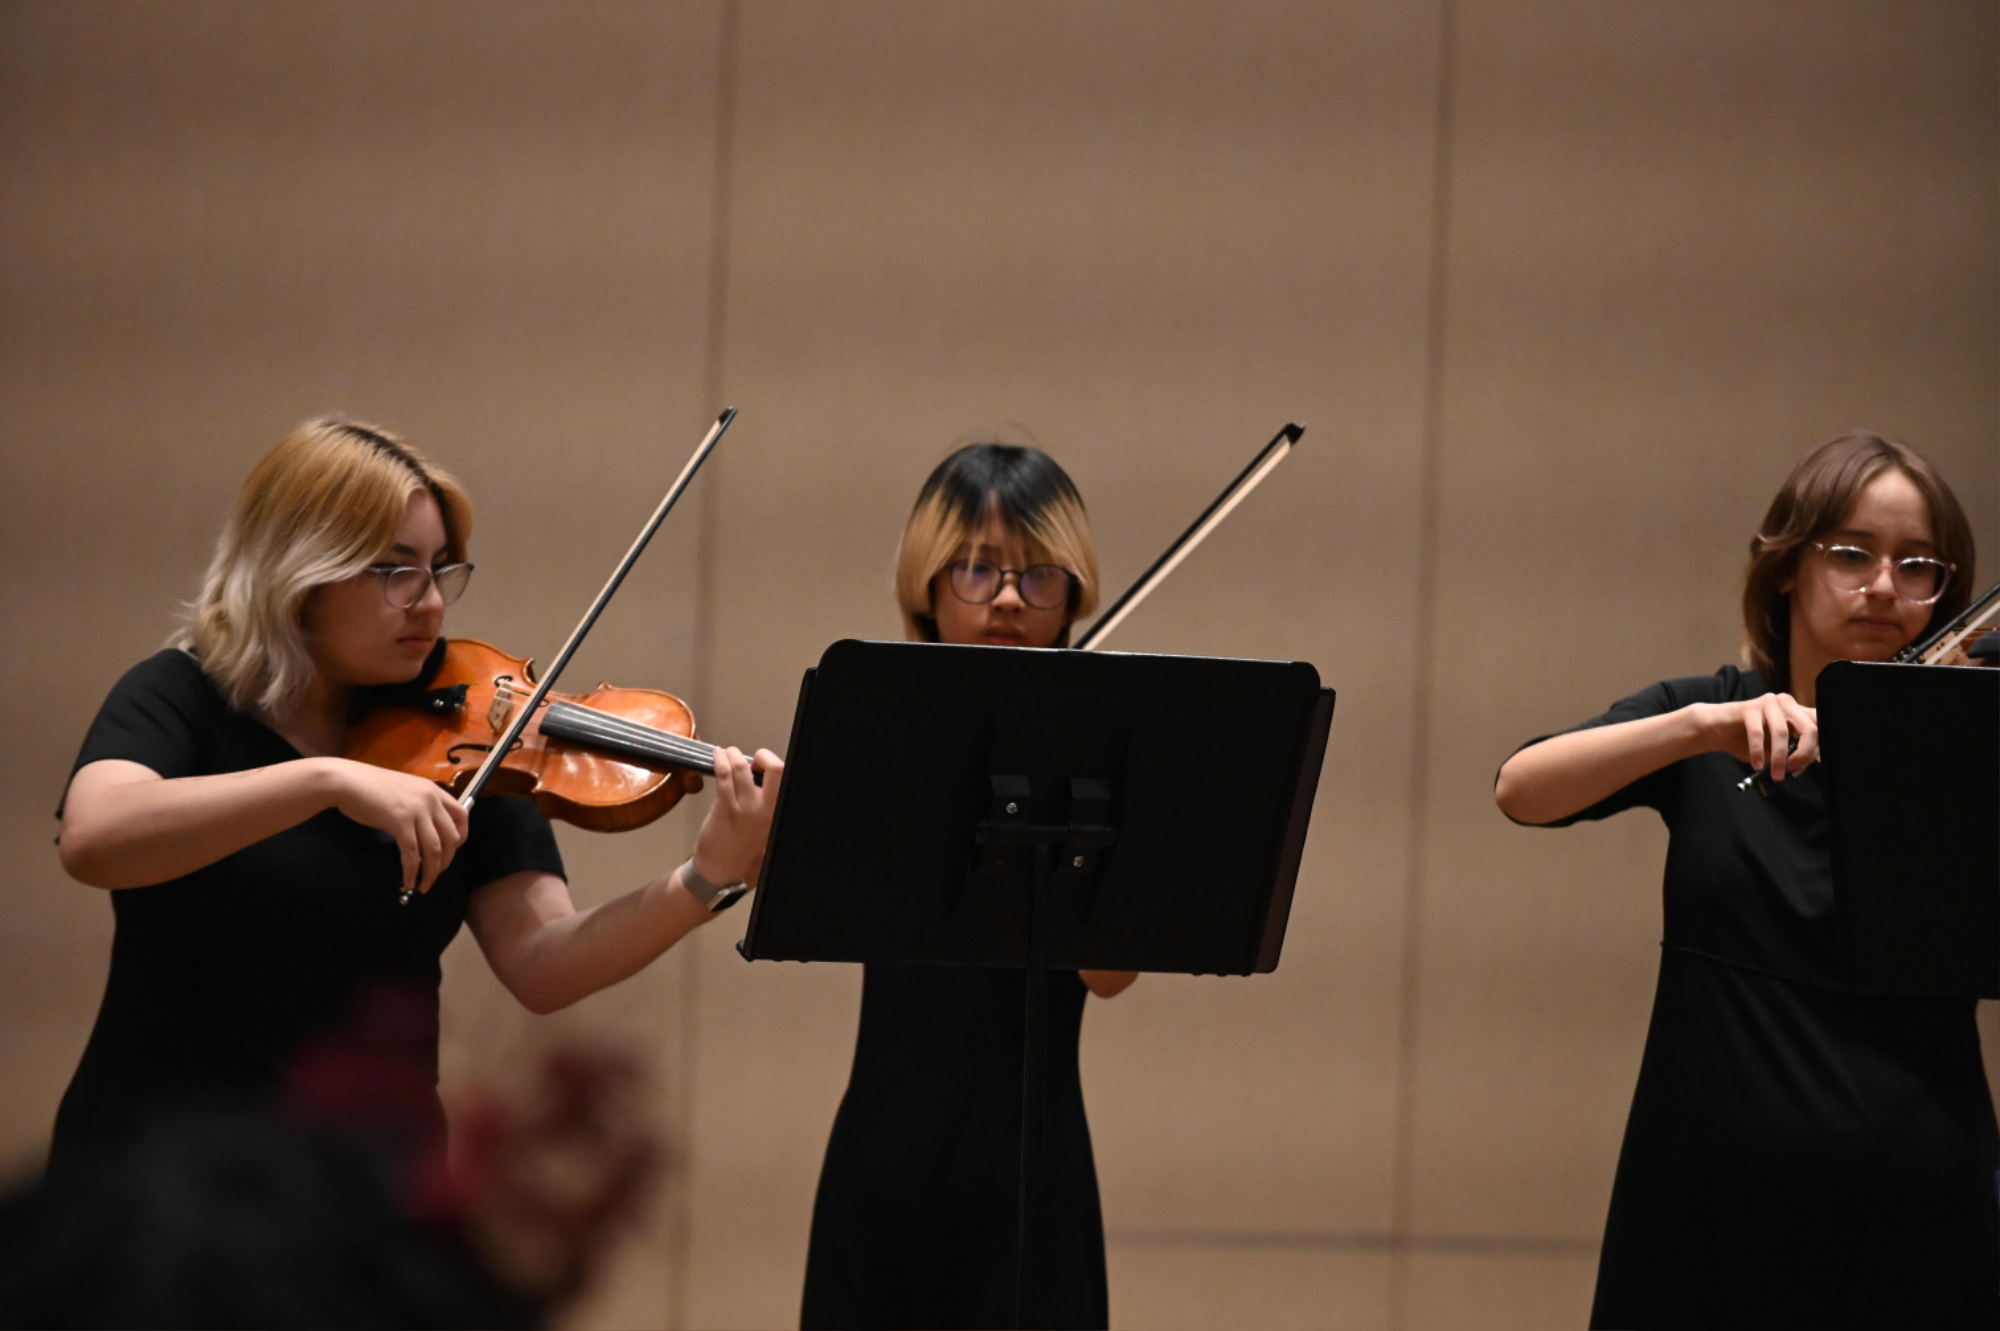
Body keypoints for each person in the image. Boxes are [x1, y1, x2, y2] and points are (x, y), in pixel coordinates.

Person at [49, 416, 781, 1183]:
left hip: (366, 1182)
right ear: (300, 572)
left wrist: (704, 877)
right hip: (158, 1174)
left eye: (440, 569)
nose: (431, 602)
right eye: (396, 571)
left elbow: (543, 963)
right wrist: (325, 779)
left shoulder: (468, 727)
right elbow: (95, 837)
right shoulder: (183, 695)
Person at [1493, 432, 1998, 1329]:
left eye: (1918, 564)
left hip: (1914, 1212)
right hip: (1705, 1208)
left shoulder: (1967, 754)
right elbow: (1522, 789)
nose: (1884, 585)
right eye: (1852, 554)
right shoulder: (1712, 718)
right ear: (1788, 569)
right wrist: (1700, 726)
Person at [800, 441, 1137, 1331]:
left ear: (1075, 592)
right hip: (887, 1166)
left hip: (1034, 1171)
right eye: (978, 569)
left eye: (1039, 574)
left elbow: (1111, 973)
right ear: (928, 583)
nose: (1009, 599)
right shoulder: (879, 731)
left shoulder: (1102, 755)